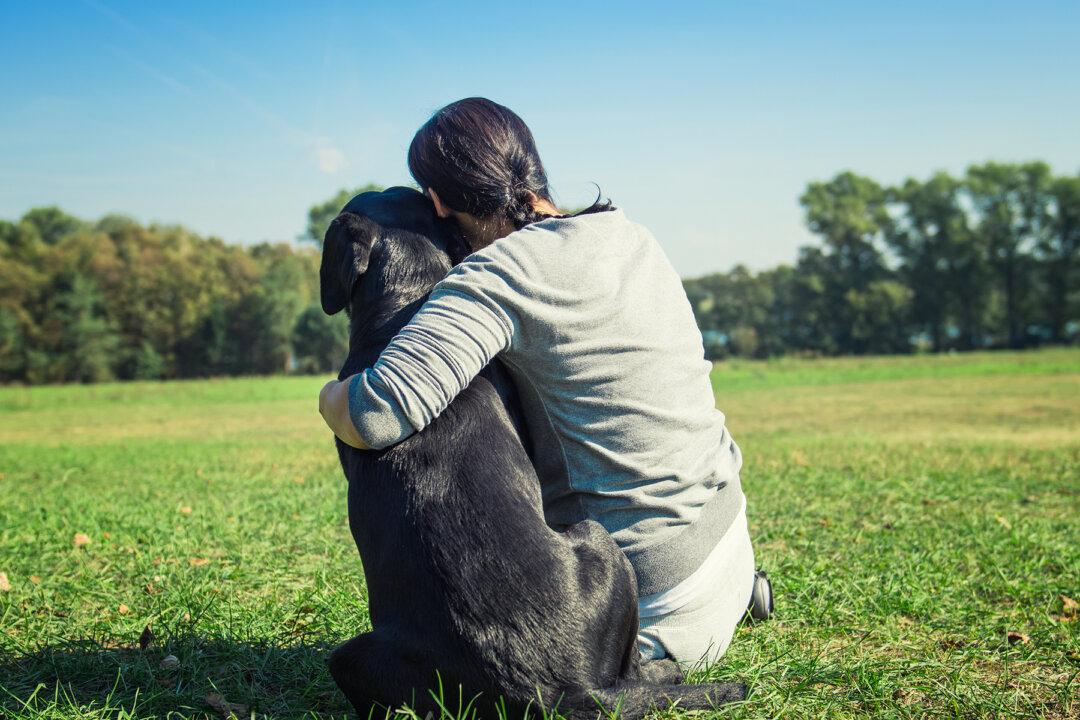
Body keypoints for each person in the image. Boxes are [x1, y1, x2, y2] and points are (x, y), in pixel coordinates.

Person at [319, 97, 771, 665]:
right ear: (532, 166)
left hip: (645, 614)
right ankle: (733, 601)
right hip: (727, 549)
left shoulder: (498, 275)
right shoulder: (632, 236)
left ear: (436, 200)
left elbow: (378, 413)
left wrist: (329, 395)